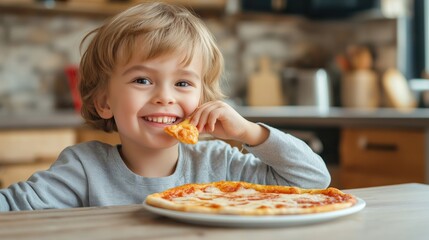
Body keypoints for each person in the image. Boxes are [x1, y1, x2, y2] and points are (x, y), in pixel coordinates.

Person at [0, 2, 330, 211]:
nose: (165, 97)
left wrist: (250, 132)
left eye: (183, 83)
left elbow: (314, 180)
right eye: (142, 80)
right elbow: (12, 208)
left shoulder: (220, 164)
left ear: (203, 100)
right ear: (104, 102)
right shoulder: (84, 170)